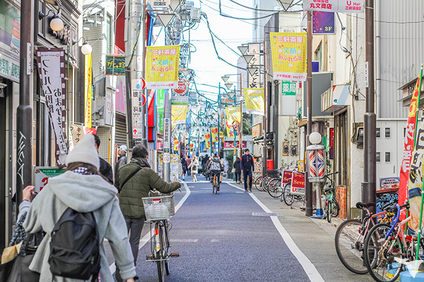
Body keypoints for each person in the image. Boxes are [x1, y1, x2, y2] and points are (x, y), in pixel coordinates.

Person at [20, 134, 136, 282]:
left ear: (70, 163)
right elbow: (120, 238)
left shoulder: (52, 188)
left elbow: (28, 224)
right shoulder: (106, 193)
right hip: (92, 270)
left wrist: (25, 200)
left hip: (54, 271)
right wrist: (128, 275)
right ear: (95, 165)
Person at [116, 145, 181, 274]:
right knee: (134, 242)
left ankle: (119, 269)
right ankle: (129, 271)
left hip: (122, 211)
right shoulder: (147, 172)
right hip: (139, 213)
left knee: (121, 241)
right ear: (146, 157)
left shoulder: (122, 170)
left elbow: (116, 187)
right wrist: (177, 184)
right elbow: (164, 187)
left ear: (132, 156)